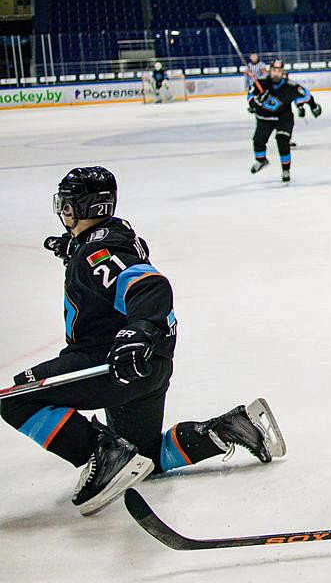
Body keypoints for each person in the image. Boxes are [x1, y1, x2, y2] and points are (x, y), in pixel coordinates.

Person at [0, 167, 286, 516]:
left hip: (113, 360)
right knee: (143, 458)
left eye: (70, 206)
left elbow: (148, 285)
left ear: (92, 208)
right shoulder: (106, 239)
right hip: (149, 362)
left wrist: (137, 331)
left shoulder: (98, 251)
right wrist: (71, 247)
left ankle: (101, 453)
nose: (64, 212)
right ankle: (232, 429)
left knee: (16, 399)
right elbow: (113, 265)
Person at [247, 59, 321, 183]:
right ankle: (261, 160)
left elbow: (306, 95)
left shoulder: (290, 86)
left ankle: (285, 170)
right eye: (274, 71)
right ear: (270, 71)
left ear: (283, 73)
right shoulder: (261, 82)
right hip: (264, 118)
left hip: (283, 117)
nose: (276, 73)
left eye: (279, 71)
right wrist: (256, 102)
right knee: (258, 141)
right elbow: (249, 97)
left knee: (282, 140)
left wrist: (314, 106)